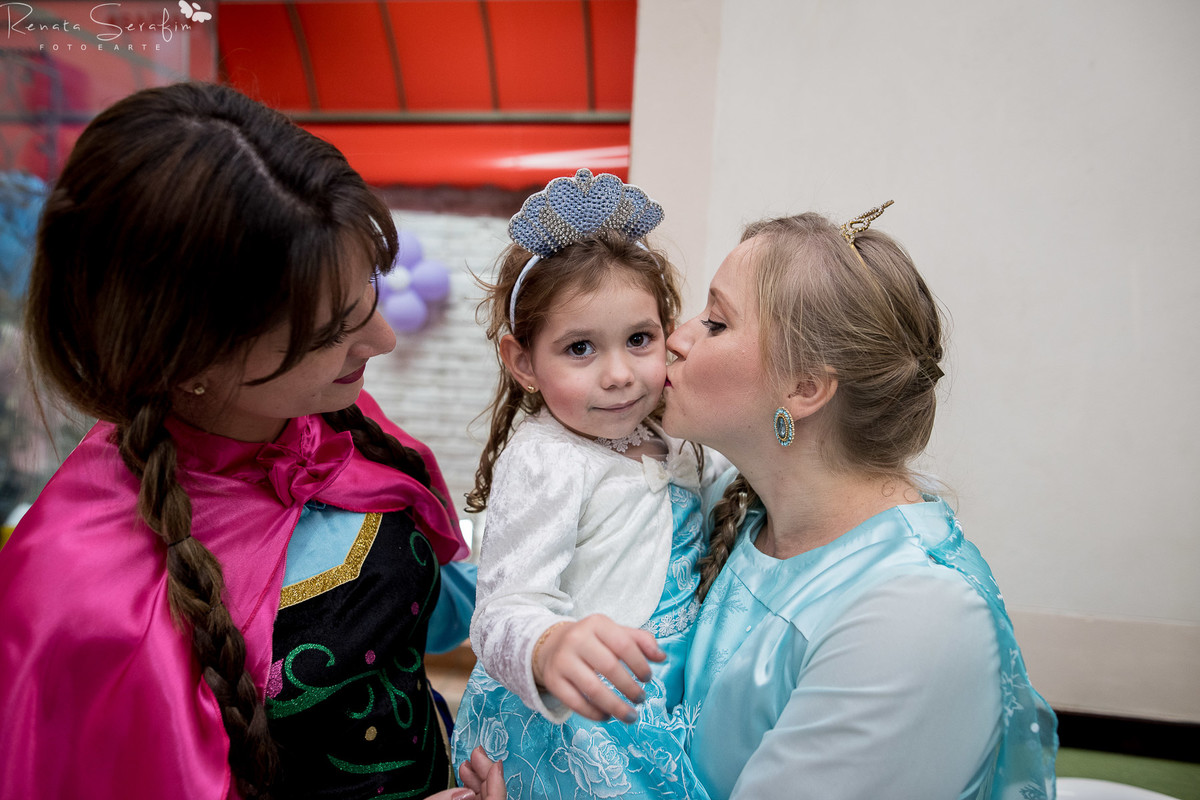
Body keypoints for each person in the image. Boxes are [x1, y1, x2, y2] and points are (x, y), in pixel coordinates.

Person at [0, 82, 502, 800]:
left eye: (370, 297)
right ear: (186, 360)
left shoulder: (333, 422)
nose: (385, 341)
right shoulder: (74, 597)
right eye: (331, 334)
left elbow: (440, 622)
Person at [662, 204, 1058, 799]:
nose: (677, 337)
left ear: (805, 388)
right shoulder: (736, 507)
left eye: (716, 323)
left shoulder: (917, 615)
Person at [451, 170, 719, 799]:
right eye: (580, 348)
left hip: (654, 703)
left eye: (639, 339)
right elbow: (499, 610)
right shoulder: (548, 459)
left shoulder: (675, 439)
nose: (620, 374)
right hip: (568, 726)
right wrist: (548, 646)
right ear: (523, 362)